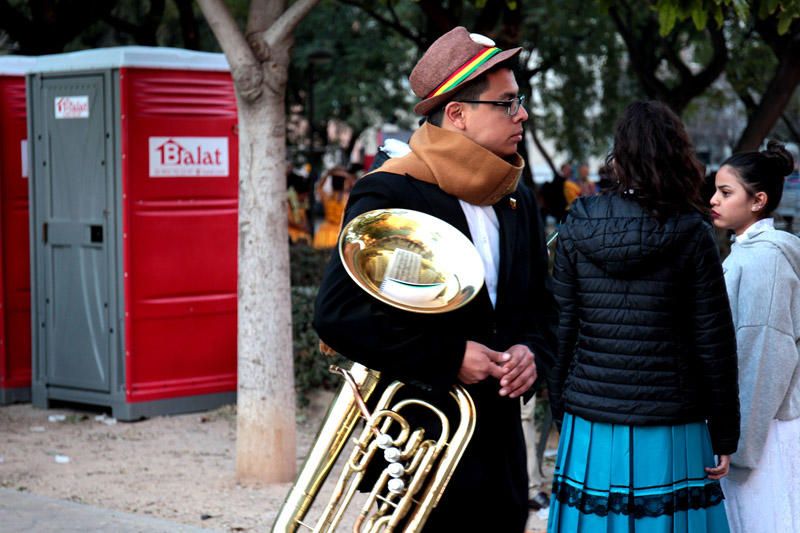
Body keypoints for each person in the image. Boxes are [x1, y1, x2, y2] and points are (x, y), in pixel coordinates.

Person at [314, 26, 555, 532]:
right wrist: (448, 358)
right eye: (507, 104)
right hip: (418, 444)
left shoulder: (517, 196)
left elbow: (539, 308)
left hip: (500, 449)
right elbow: (337, 317)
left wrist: (532, 352)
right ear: (457, 114)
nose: (523, 115)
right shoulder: (389, 191)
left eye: (520, 101)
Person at [548, 101, 740, 532]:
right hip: (673, 420)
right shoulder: (691, 231)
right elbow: (714, 339)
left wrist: (561, 403)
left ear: (620, 157)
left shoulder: (578, 223)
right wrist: (725, 433)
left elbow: (562, 323)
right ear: (676, 154)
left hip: (591, 418)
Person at [709, 141, 800, 533]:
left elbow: (765, 355)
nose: (713, 199)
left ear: (758, 200)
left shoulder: (765, 260)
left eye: (726, 192)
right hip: (754, 424)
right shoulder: (746, 252)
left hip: (765, 430)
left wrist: (739, 443)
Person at [311, 166, 355, 249]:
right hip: (340, 232)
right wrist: (347, 175)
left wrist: (328, 174)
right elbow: (356, 186)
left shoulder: (327, 197)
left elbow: (319, 187)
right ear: (344, 183)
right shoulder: (347, 198)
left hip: (324, 232)